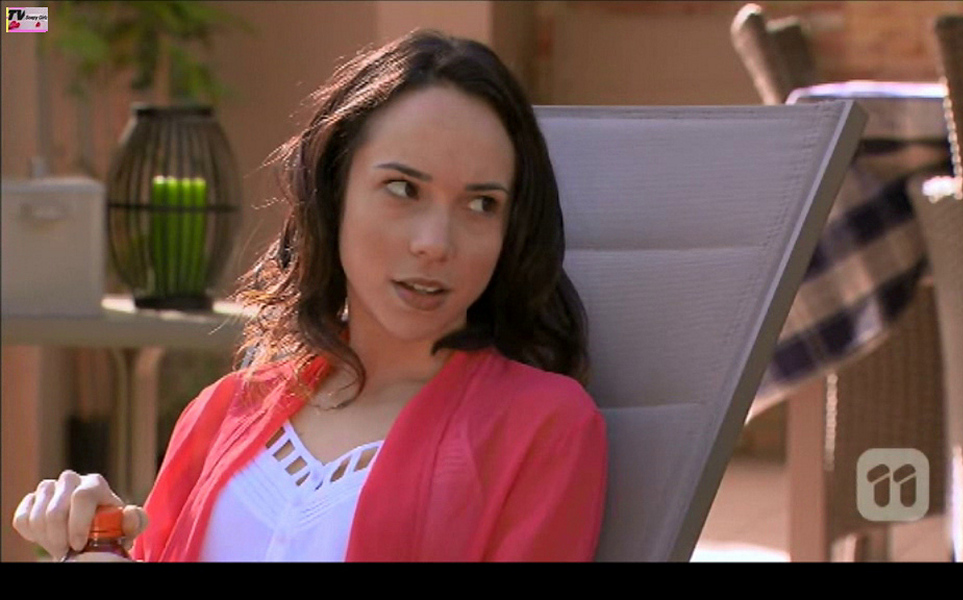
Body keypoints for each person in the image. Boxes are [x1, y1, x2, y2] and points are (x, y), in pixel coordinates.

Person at [12, 29, 607, 562]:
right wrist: (92, 544)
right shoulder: (224, 409)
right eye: (403, 188)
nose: (435, 242)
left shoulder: (541, 427)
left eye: (481, 204)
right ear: (333, 192)